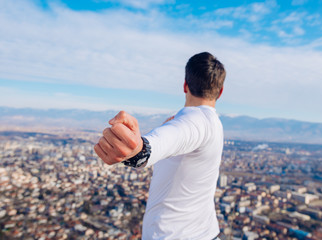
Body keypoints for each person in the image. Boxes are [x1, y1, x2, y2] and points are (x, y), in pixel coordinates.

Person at [94, 52, 226, 239]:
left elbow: (165, 140)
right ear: (220, 92)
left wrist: (138, 150)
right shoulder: (213, 123)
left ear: (185, 85)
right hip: (204, 232)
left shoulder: (196, 121)